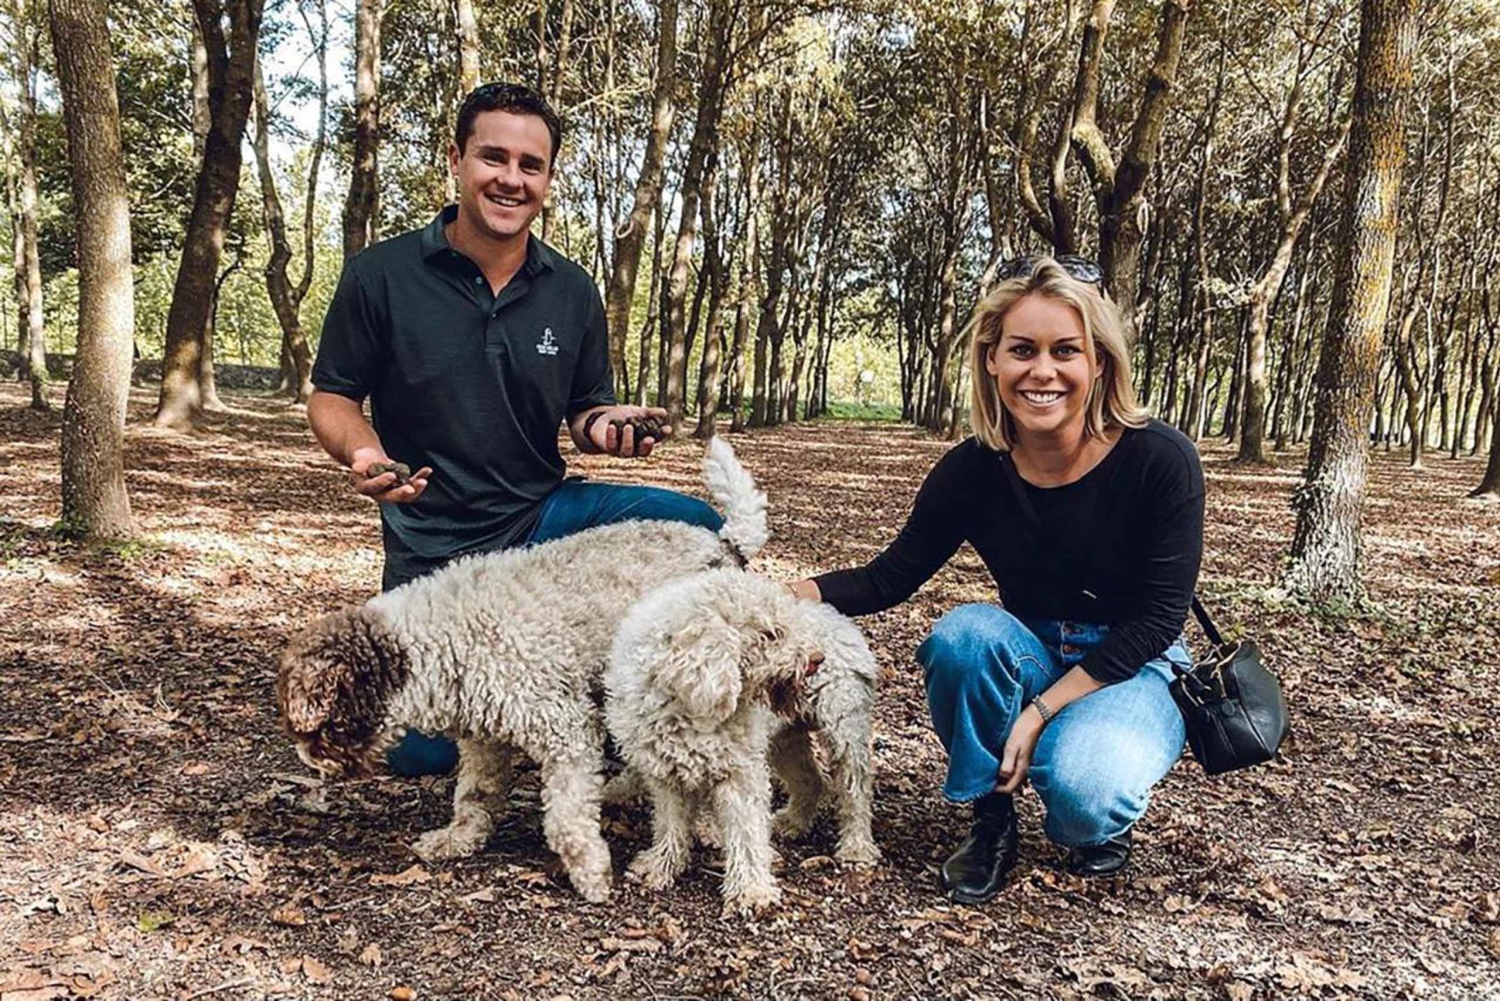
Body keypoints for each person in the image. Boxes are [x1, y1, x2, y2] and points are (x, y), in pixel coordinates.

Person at [307, 82, 722, 775]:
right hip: (434, 545)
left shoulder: (572, 288)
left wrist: (611, 424)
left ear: (548, 178)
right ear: (457, 161)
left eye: (530, 165)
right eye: (492, 157)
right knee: (420, 751)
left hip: (544, 521)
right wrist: (365, 451)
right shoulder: (380, 277)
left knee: (701, 531)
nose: (510, 178)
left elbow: (586, 414)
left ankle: (634, 694)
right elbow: (331, 396)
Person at [788, 256, 1203, 904]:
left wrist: (1039, 712)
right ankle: (991, 817)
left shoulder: (1160, 459)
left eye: (1066, 350)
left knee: (1084, 790)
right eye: (1022, 350)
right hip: (1026, 647)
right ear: (992, 359)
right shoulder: (973, 468)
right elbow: (891, 577)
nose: (1043, 370)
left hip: (1135, 660)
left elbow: (1157, 621)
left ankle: (1088, 813)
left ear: (1098, 361)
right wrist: (790, 593)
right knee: (963, 635)